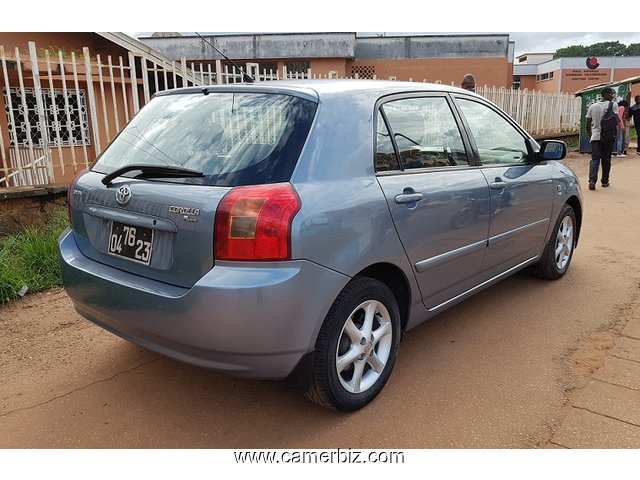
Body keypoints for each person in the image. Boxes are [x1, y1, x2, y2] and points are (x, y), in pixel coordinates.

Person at [585, 87, 618, 190]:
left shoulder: (592, 106)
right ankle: (604, 181)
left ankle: (592, 180)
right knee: (606, 159)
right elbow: (616, 121)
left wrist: (591, 135)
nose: (612, 96)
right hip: (607, 137)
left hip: (595, 137)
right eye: (611, 94)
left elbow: (587, 124)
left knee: (595, 159)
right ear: (606, 94)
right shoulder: (613, 105)